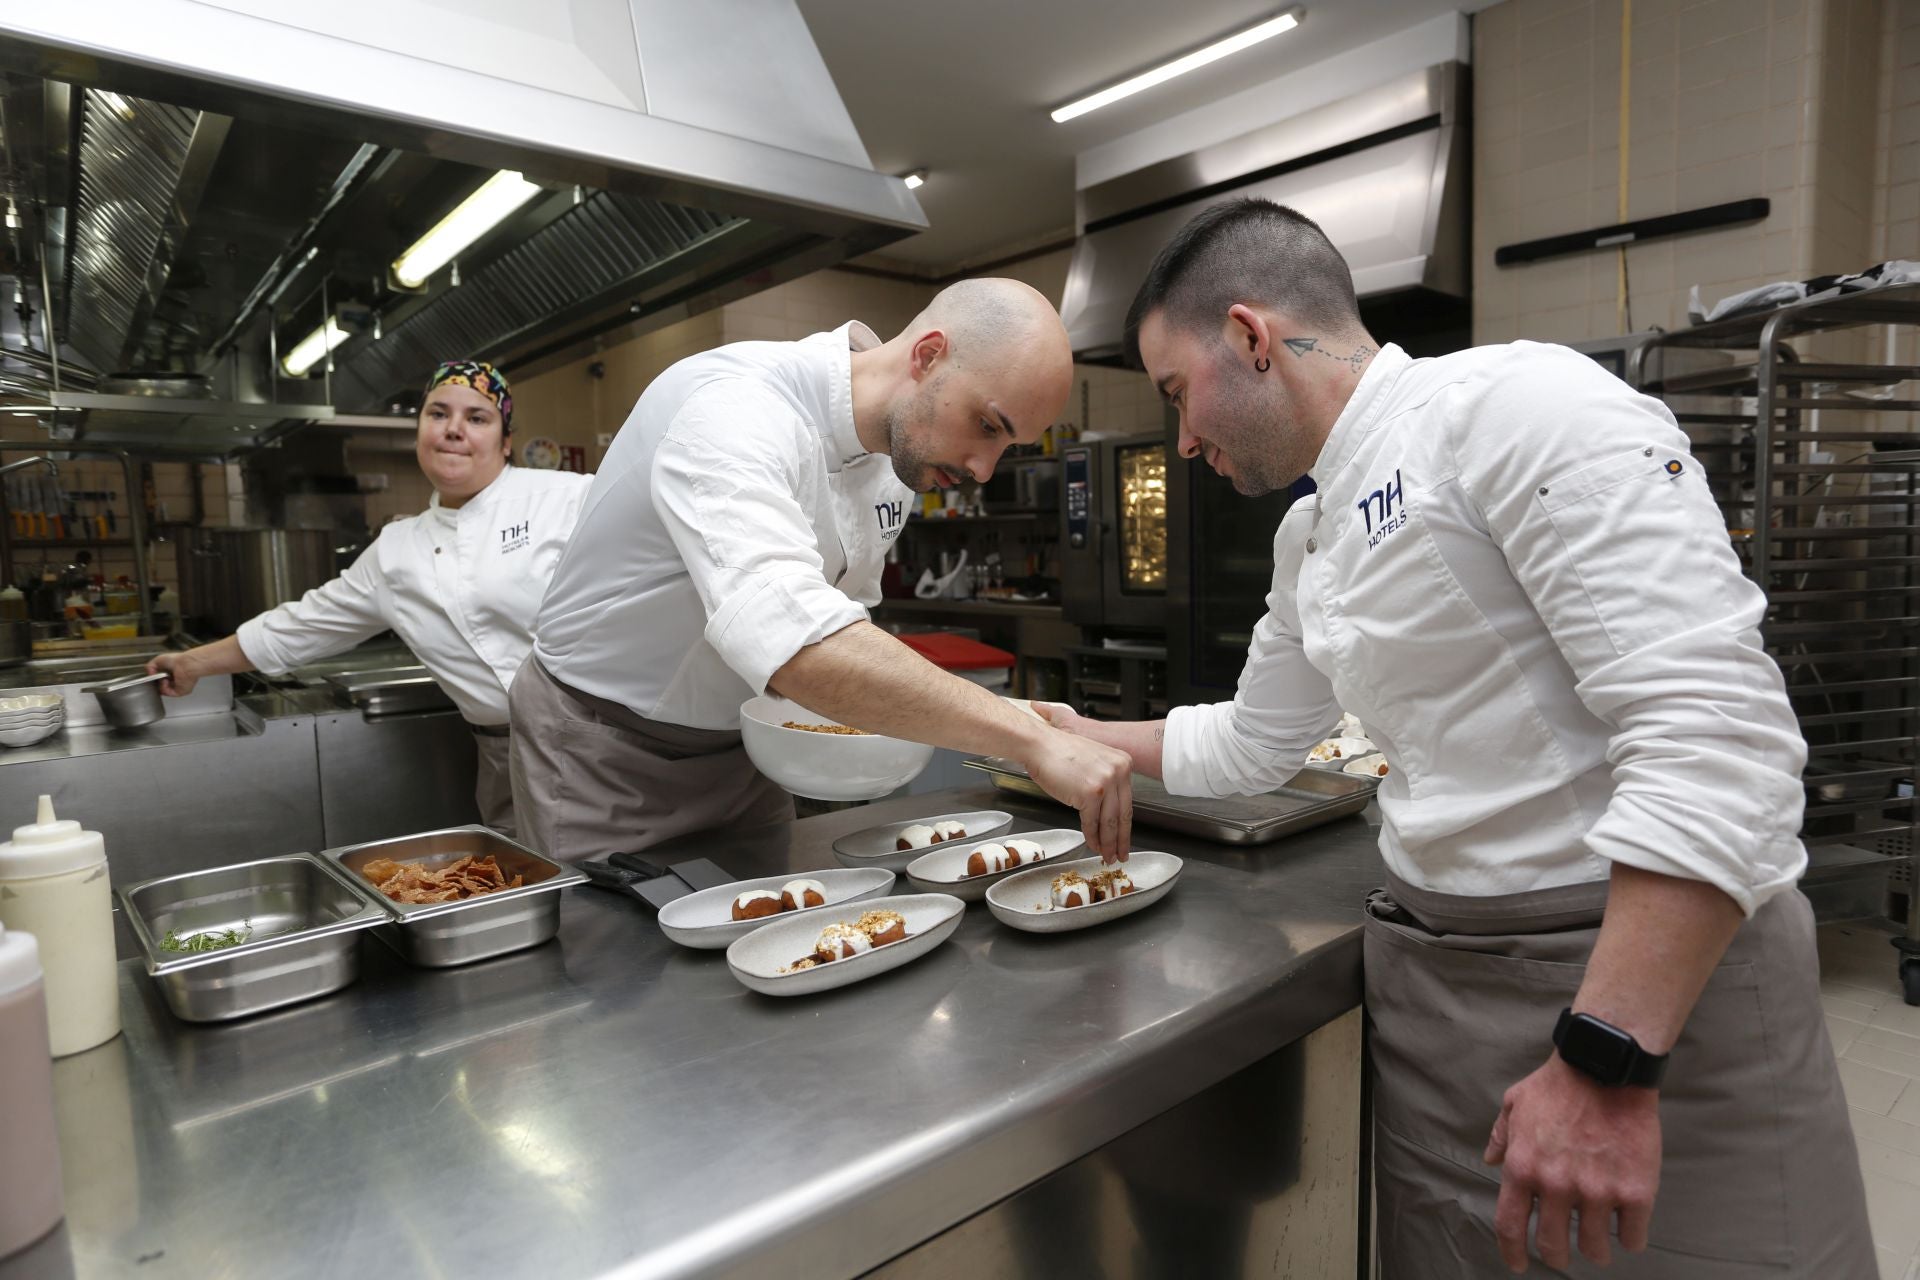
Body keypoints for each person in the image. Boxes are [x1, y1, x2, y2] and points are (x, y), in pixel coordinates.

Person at [1039, 199, 1873, 1277]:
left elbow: (1718, 735)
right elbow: (1250, 744)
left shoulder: (1516, 407)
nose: (1183, 438)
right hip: (1437, 993)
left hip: (1630, 986)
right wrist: (1063, 732)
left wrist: (1605, 1056)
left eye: (1174, 393)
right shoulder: (1310, 535)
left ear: (1250, 338)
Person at [512, 278, 1134, 864]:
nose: (984, 468)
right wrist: (1024, 739)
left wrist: (1021, 717)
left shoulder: (899, 457)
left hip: (745, 751)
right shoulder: (731, 410)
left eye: (1008, 445)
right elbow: (796, 645)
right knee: (610, 966)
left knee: (761, 941)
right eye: (987, 425)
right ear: (928, 355)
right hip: (604, 748)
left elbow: (841, 620)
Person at [150, 361, 590, 839]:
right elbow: (305, 624)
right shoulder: (397, 549)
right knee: (528, 894)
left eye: (478, 418)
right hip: (502, 758)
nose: (454, 430)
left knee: (622, 888)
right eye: (438, 413)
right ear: (420, 428)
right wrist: (194, 663)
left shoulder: (565, 498)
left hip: (598, 742)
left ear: (505, 441)